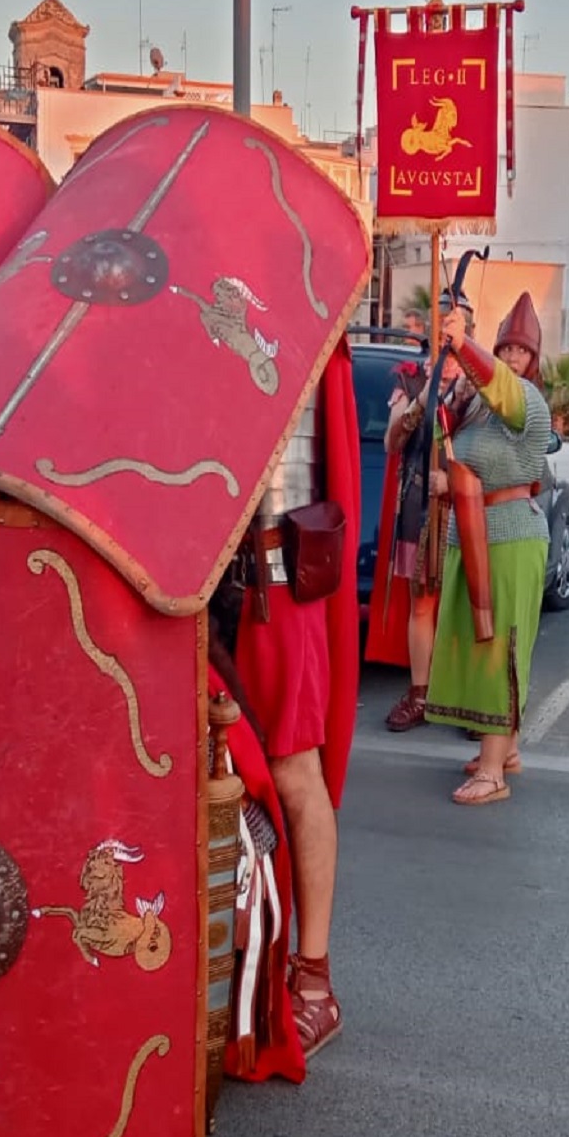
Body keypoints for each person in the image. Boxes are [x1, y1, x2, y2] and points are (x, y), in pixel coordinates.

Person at [215, 355, 363, 1066]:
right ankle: (235, 967)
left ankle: (314, 979)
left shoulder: (311, 327)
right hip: (204, 577)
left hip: (278, 582)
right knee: (211, 775)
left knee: (294, 771)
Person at [422, 294, 553, 805]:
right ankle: (506, 750)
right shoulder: (478, 405)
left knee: (503, 646)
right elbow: (450, 442)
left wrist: (463, 345)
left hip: (511, 535)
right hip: (475, 530)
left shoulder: (527, 402)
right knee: (488, 643)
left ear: (534, 359)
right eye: (506, 349)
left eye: (522, 351)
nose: (513, 358)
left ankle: (493, 770)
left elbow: (501, 388)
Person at [378, 291, 475, 730]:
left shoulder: (480, 380)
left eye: (454, 323)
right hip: (420, 504)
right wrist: (421, 402)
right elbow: (392, 441)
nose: (446, 331)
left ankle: (469, 697)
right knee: (422, 604)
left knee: (468, 604)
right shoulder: (411, 378)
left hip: (467, 506)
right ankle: (420, 692)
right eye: (441, 323)